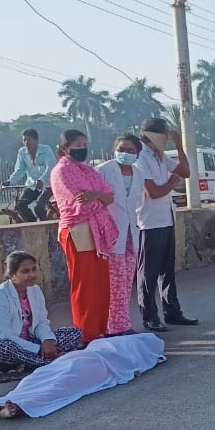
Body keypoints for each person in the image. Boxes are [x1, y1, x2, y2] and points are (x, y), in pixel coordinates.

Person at [0, 333, 166, 420]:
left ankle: (11, 407)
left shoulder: (143, 353)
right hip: (84, 357)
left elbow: (140, 362)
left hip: (98, 363)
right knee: (39, 377)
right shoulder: (144, 354)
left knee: (62, 383)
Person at [0, 252, 82, 382]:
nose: (32, 275)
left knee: (74, 332)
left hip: (29, 341)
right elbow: (4, 335)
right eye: (25, 271)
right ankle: (50, 362)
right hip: (1, 349)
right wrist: (38, 349)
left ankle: (36, 361)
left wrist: (47, 341)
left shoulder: (35, 290)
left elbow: (41, 322)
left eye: (34, 269)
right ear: (12, 274)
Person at [48, 129, 115, 345]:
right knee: (85, 285)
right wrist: (100, 199)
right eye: (77, 145)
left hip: (98, 231)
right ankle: (85, 334)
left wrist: (95, 196)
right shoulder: (61, 171)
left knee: (101, 283)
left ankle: (100, 330)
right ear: (65, 148)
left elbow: (109, 196)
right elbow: (77, 205)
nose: (82, 148)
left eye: (84, 144)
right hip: (78, 230)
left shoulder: (88, 170)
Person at [135, 118, 198, 332]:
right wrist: (172, 181)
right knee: (148, 274)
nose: (167, 139)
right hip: (150, 222)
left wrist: (179, 146)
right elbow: (153, 192)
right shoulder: (141, 157)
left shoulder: (159, 156)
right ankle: (150, 316)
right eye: (165, 135)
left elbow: (186, 172)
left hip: (166, 218)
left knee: (166, 271)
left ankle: (172, 311)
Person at [95, 134, 147, 336]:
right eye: (122, 149)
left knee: (126, 282)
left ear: (137, 154)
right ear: (114, 149)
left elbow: (139, 203)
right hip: (110, 234)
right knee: (115, 282)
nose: (126, 154)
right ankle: (115, 326)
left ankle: (121, 323)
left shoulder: (138, 174)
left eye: (131, 151)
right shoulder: (103, 171)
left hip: (130, 233)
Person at [6, 129, 58, 222]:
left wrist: (41, 180)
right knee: (20, 205)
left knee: (39, 207)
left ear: (36, 140)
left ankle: (47, 228)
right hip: (32, 185)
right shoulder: (22, 152)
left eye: (29, 140)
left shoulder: (46, 150)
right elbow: (19, 170)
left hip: (48, 185)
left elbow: (51, 167)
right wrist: (10, 181)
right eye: (24, 140)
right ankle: (33, 226)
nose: (26, 143)